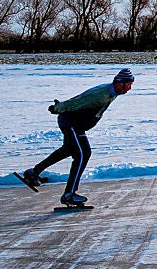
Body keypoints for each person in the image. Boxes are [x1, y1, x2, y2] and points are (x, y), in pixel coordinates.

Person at [17, 67, 135, 207]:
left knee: (68, 149)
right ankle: (69, 194)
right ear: (118, 83)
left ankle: (33, 172)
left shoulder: (112, 92)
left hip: (75, 123)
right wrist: (58, 108)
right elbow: (77, 102)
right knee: (83, 153)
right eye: (127, 85)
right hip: (71, 122)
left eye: (131, 85)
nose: (128, 89)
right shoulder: (100, 94)